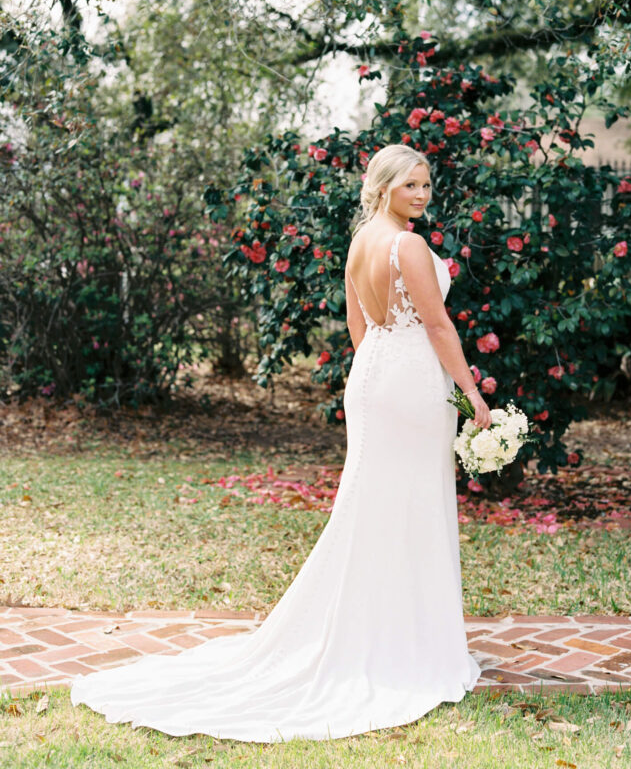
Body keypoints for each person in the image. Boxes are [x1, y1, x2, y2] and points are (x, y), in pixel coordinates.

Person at [69, 143, 489, 742]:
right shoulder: (409, 245)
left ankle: (379, 631)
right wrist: (473, 396)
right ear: (384, 188)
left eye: (426, 185)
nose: (421, 196)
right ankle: (404, 644)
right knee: (408, 505)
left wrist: (375, 365)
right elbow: (439, 325)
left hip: (372, 374)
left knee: (375, 505)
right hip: (410, 381)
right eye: (410, 187)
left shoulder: (361, 239)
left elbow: (357, 325)